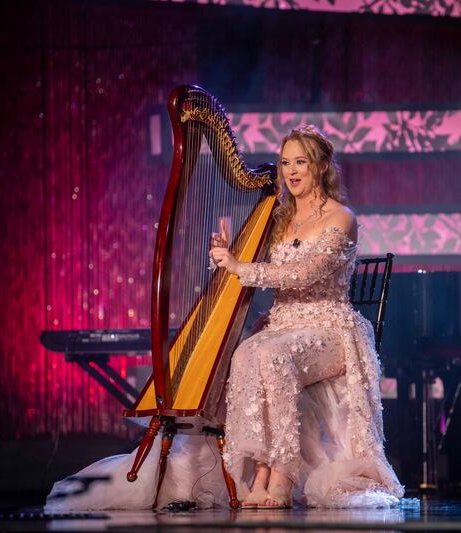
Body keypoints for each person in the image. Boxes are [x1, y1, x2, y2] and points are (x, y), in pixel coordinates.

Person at [45, 126, 402, 511]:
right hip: (282, 325)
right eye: (285, 163)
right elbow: (251, 265)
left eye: (300, 162)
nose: (291, 171)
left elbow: (304, 274)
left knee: (272, 355)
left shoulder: (341, 218)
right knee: (245, 354)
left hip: (329, 329)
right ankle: (257, 474)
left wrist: (239, 267)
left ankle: (282, 475)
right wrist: (227, 254)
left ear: (321, 166)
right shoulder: (280, 218)